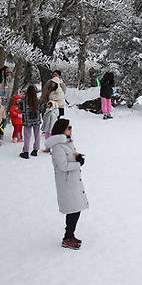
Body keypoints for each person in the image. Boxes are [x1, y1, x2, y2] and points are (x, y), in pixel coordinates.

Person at [45, 119, 88, 250]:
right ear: (61, 129)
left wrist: (78, 156)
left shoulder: (67, 142)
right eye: (68, 127)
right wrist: (78, 164)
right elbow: (62, 166)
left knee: (76, 209)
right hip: (67, 184)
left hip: (73, 182)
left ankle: (70, 235)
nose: (71, 129)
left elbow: (70, 155)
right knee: (73, 210)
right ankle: (67, 237)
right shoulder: (58, 146)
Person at [19, 85, 42, 159]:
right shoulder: (37, 100)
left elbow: (20, 109)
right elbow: (41, 109)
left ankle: (26, 152)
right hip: (36, 119)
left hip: (27, 120)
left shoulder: (23, 100)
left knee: (27, 136)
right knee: (37, 134)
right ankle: (35, 150)